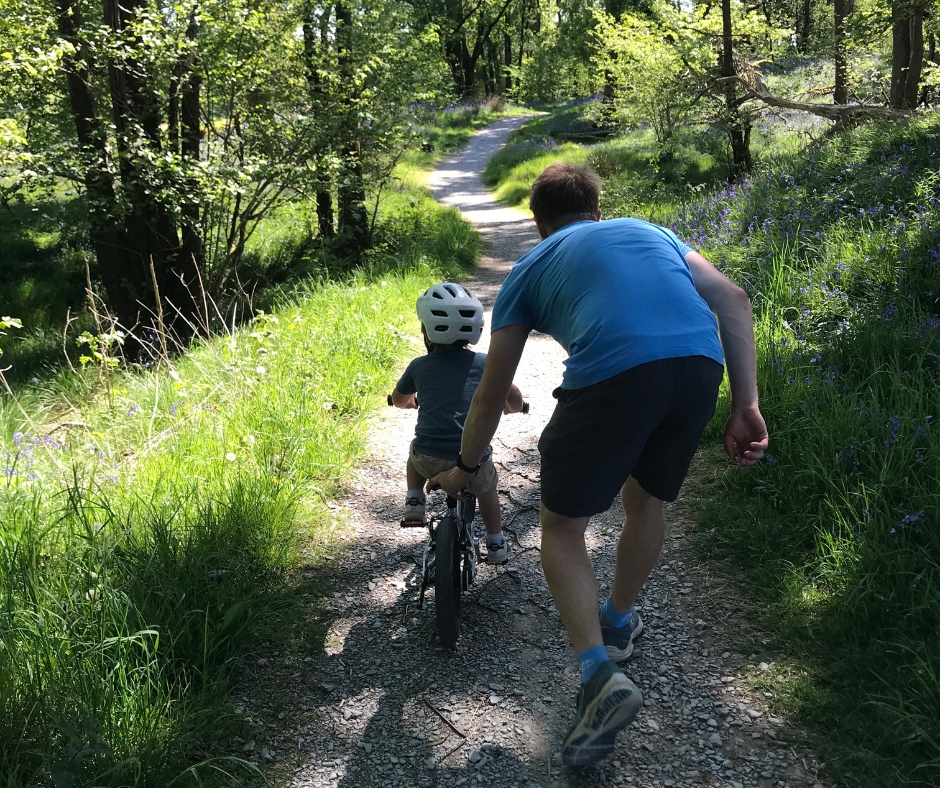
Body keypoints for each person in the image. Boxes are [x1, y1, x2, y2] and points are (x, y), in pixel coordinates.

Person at [432, 163, 768, 766]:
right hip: (699, 367)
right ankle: (617, 621)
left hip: (615, 374)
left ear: (538, 224)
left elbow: (490, 391)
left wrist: (466, 463)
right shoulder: (654, 232)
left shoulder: (531, 267)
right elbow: (735, 302)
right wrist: (745, 404)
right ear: (597, 210)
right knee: (648, 501)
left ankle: (596, 675)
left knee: (562, 527)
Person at [391, 282, 525, 564]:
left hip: (429, 459)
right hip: (472, 459)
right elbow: (512, 398)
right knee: (487, 490)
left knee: (415, 451)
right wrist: (514, 409)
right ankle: (496, 542)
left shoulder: (419, 366)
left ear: (425, 330)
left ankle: (414, 501)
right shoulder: (486, 363)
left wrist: (409, 402)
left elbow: (400, 399)